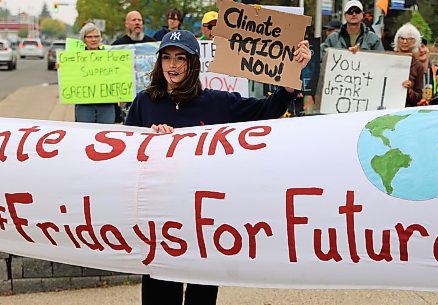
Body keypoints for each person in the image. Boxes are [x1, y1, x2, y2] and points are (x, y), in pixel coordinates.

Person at [125, 30, 311, 305]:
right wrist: (147, 138)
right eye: (166, 58)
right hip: (160, 218)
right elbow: (124, 149)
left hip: (204, 219)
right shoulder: (145, 101)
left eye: (180, 58)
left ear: (193, 64)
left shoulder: (218, 102)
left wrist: (292, 73)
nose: (172, 65)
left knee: (202, 295)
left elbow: (266, 111)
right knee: (160, 293)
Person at [112, 10, 156, 123]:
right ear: (126, 24)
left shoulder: (153, 45)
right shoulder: (117, 46)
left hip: (149, 97)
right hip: (126, 100)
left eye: (139, 20)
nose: (137, 22)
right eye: (134, 20)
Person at [74, 23, 115, 124]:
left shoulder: (110, 56)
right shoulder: (75, 58)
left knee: (106, 133)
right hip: (84, 104)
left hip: (106, 103)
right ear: (84, 39)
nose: (93, 39)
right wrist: (62, 67)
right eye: (90, 37)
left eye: (96, 36)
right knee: (85, 133)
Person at [393, 23, 424, 107]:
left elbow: (419, 97)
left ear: (415, 41)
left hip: (406, 109)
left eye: (409, 39)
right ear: (397, 40)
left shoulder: (418, 66)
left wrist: (409, 90)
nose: (405, 42)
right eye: (402, 38)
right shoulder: (388, 59)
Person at [417, 37, 438, 105]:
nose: (421, 50)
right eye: (417, 48)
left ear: (427, 49)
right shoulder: (410, 72)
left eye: (423, 46)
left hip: (433, 109)